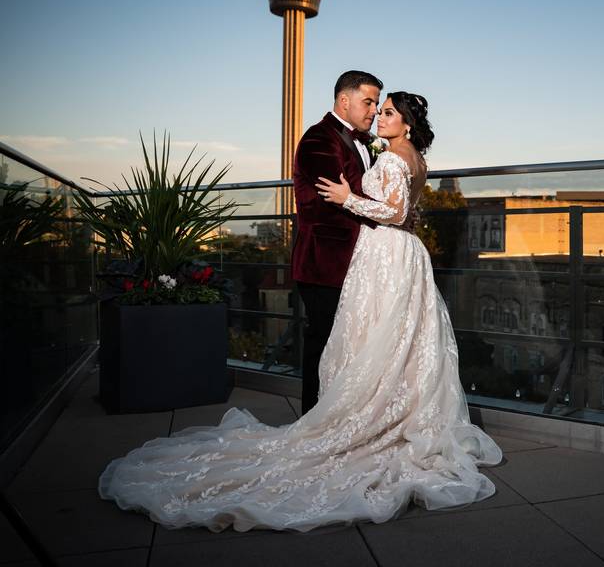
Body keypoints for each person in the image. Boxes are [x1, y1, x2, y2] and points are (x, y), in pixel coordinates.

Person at [98, 89, 502, 532]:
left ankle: (369, 419)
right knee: (397, 339)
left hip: (386, 252)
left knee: (377, 337)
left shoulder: (390, 157)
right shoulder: (413, 157)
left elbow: (393, 211)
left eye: (387, 112)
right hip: (404, 255)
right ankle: (397, 413)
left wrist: (347, 197)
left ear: (405, 124)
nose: (379, 116)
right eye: (377, 108)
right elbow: (406, 212)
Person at [292, 70, 381, 415]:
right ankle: (311, 421)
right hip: (324, 263)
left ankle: (340, 419)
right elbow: (338, 195)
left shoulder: (358, 140)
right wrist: (390, 211)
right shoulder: (318, 139)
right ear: (344, 101)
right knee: (323, 344)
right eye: (368, 101)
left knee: (348, 346)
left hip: (354, 262)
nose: (373, 110)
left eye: (375, 103)